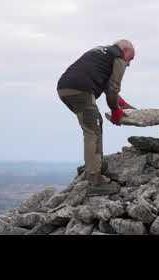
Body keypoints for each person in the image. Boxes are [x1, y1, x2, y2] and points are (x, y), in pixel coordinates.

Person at [57, 39, 136, 196]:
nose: (129, 64)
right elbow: (113, 87)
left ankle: (95, 166)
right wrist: (115, 110)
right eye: (130, 59)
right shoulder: (118, 58)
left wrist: (120, 103)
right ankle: (94, 180)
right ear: (125, 51)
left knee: (95, 124)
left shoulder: (101, 52)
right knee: (92, 129)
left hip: (65, 88)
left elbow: (105, 84)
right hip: (80, 90)